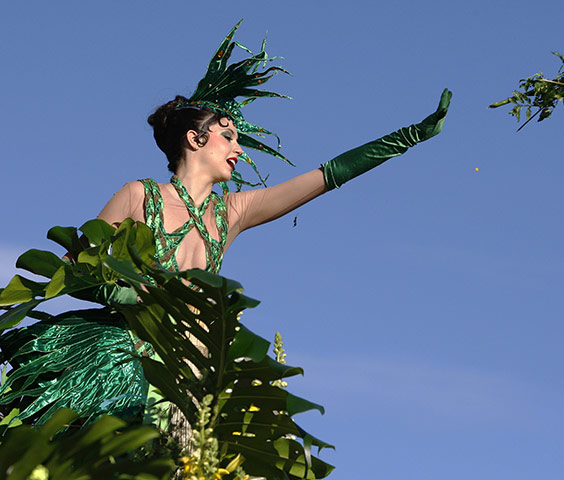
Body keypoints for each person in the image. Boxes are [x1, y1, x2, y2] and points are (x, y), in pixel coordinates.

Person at [0, 20, 450, 442]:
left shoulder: (231, 211)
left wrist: (406, 137)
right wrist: (124, 294)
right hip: (128, 367)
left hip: (199, 376)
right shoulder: (139, 195)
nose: (238, 149)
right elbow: (70, 268)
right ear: (195, 139)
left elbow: (325, 177)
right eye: (229, 135)